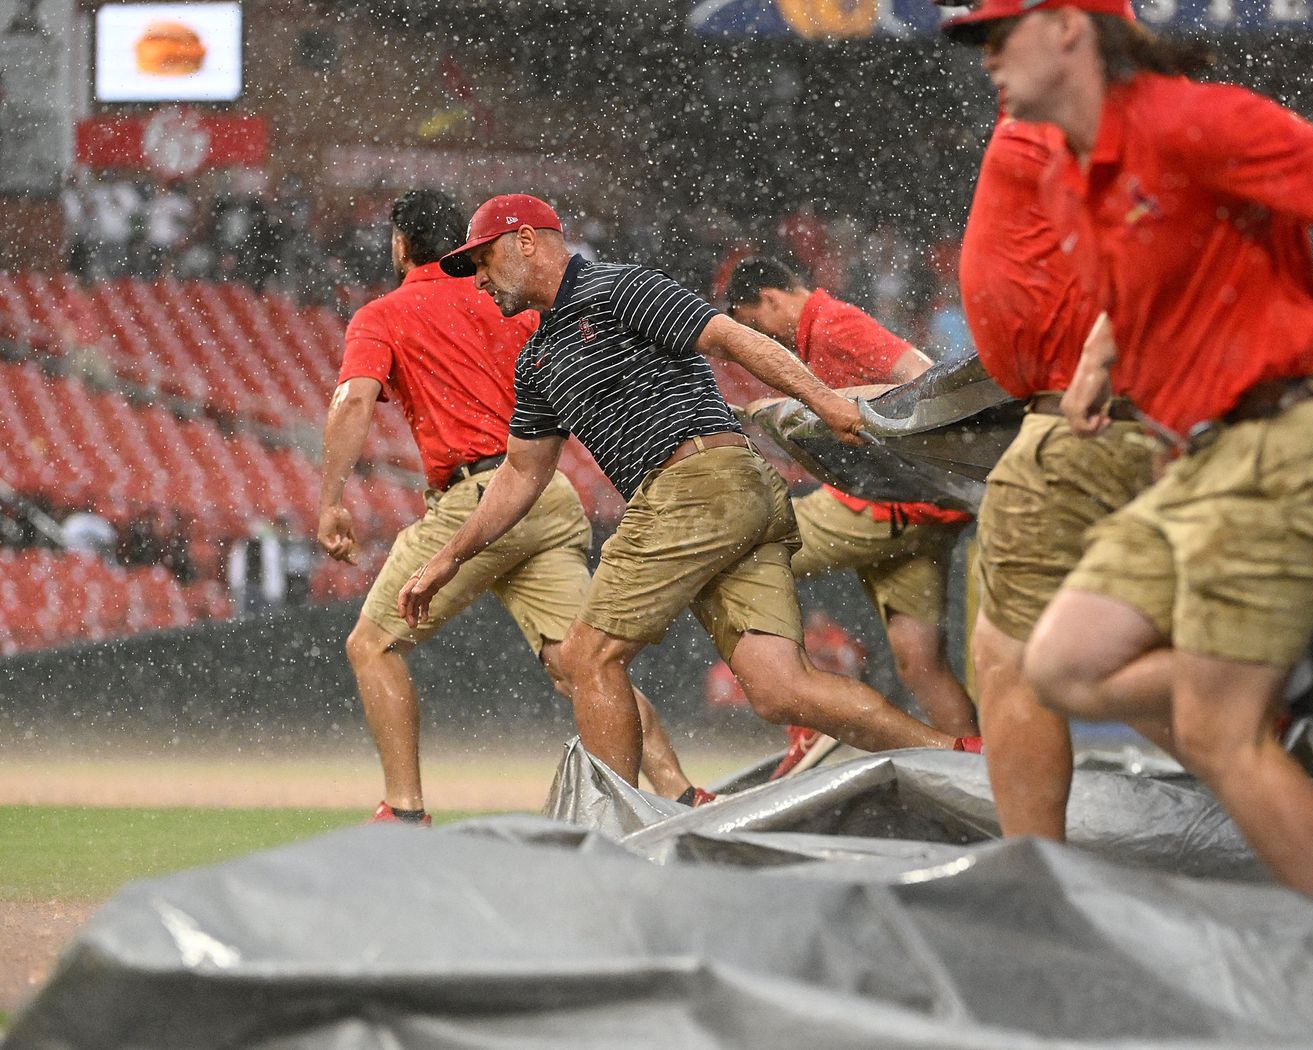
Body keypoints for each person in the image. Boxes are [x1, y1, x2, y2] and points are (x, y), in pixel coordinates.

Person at [944, 0, 1313, 907]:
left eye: (999, 36)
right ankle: (1299, 673)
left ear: (1070, 28)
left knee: (1215, 729)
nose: (986, 59)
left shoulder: (1196, 120)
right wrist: (1109, 373)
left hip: (1287, 437)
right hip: (1189, 454)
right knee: (1061, 664)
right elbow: (1152, 277)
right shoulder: (1078, 174)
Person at [399, 194, 981, 789]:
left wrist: (827, 402)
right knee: (782, 690)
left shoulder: (618, 287)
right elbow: (521, 473)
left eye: (484, 260)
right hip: (737, 495)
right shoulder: (538, 359)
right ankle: (964, 756)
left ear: (526, 241)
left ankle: (609, 835)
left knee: (587, 658)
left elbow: (728, 337)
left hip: (693, 488)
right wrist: (449, 556)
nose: (479, 280)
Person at [318, 189, 699, 825]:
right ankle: (680, 790)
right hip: (547, 496)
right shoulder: (507, 299)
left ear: (401, 245)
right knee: (584, 664)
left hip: (476, 497)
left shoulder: (383, 314)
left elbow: (354, 401)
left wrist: (331, 501)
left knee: (371, 646)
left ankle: (405, 813)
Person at [958, 116, 1157, 840]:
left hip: (1081, 425)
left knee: (1011, 659)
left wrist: (1099, 359)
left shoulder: (1072, 115)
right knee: (1114, 656)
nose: (991, 58)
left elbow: (1160, 232)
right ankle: (1262, 707)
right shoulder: (1123, 113)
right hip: (1138, 421)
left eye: (1004, 32)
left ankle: (1031, 880)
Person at [724, 257, 979, 769]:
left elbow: (924, 381)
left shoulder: (834, 323)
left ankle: (810, 711)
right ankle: (982, 777)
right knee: (920, 662)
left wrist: (849, 409)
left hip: (881, 507)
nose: (758, 337)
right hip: (919, 516)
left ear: (772, 299)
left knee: (747, 561)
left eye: (754, 323)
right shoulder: (818, 331)